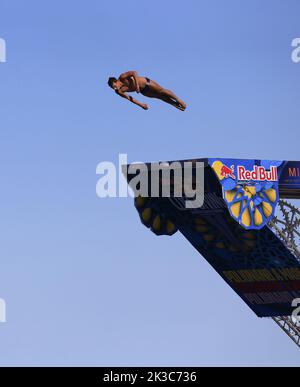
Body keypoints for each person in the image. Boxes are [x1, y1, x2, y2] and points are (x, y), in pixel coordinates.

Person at [107, 71, 186, 111]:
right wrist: (141, 105)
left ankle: (178, 100)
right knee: (160, 97)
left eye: (114, 86)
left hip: (146, 83)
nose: (115, 88)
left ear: (116, 81)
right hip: (144, 91)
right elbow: (129, 98)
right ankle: (175, 104)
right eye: (112, 88)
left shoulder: (122, 77)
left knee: (162, 91)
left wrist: (137, 85)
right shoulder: (119, 91)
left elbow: (134, 72)